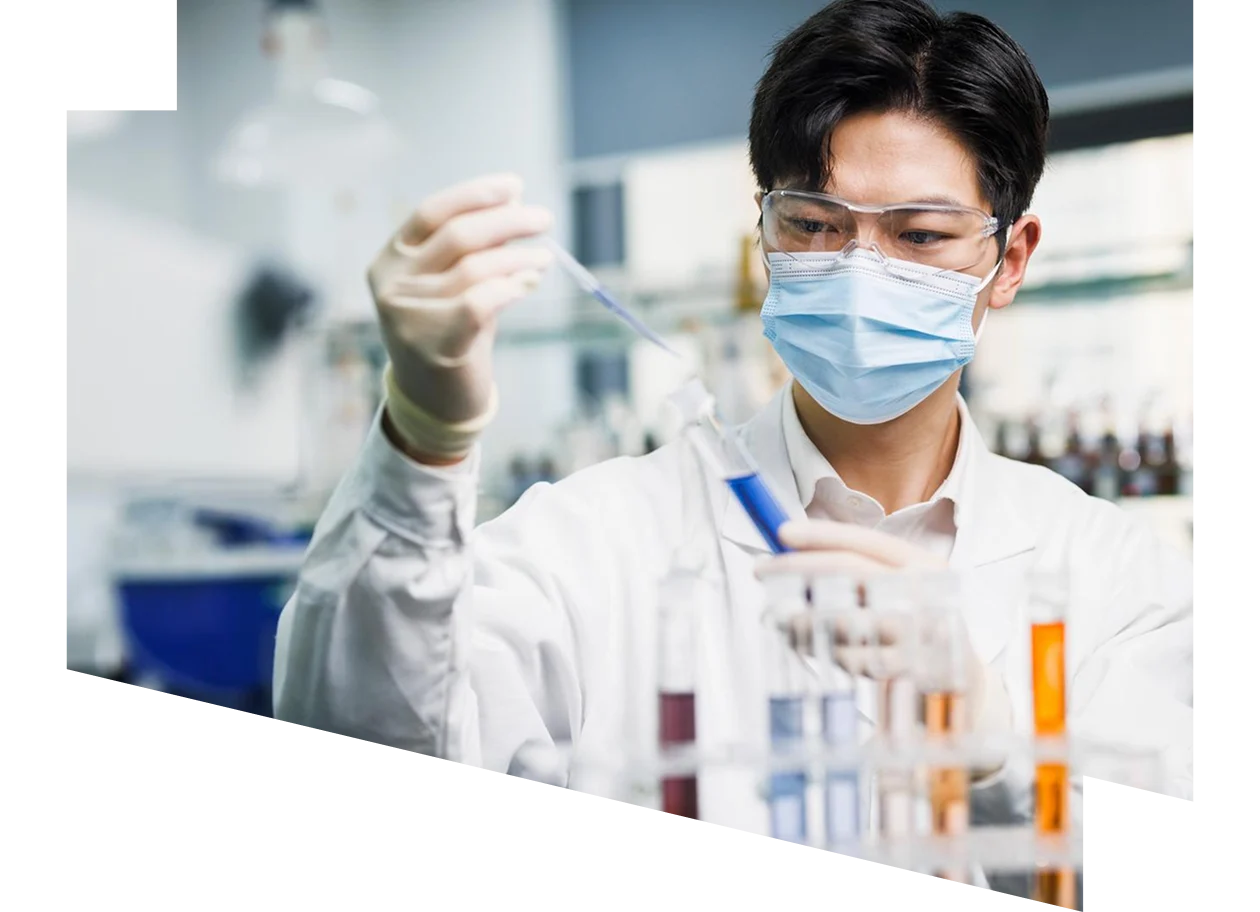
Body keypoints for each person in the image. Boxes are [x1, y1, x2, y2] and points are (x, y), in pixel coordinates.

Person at [272, 0, 1200, 847]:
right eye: (814, 224)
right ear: (763, 233)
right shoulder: (589, 544)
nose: (858, 269)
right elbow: (369, 721)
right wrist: (422, 435)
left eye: (919, 235)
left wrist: (995, 756)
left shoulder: (1119, 582)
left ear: (1011, 257)